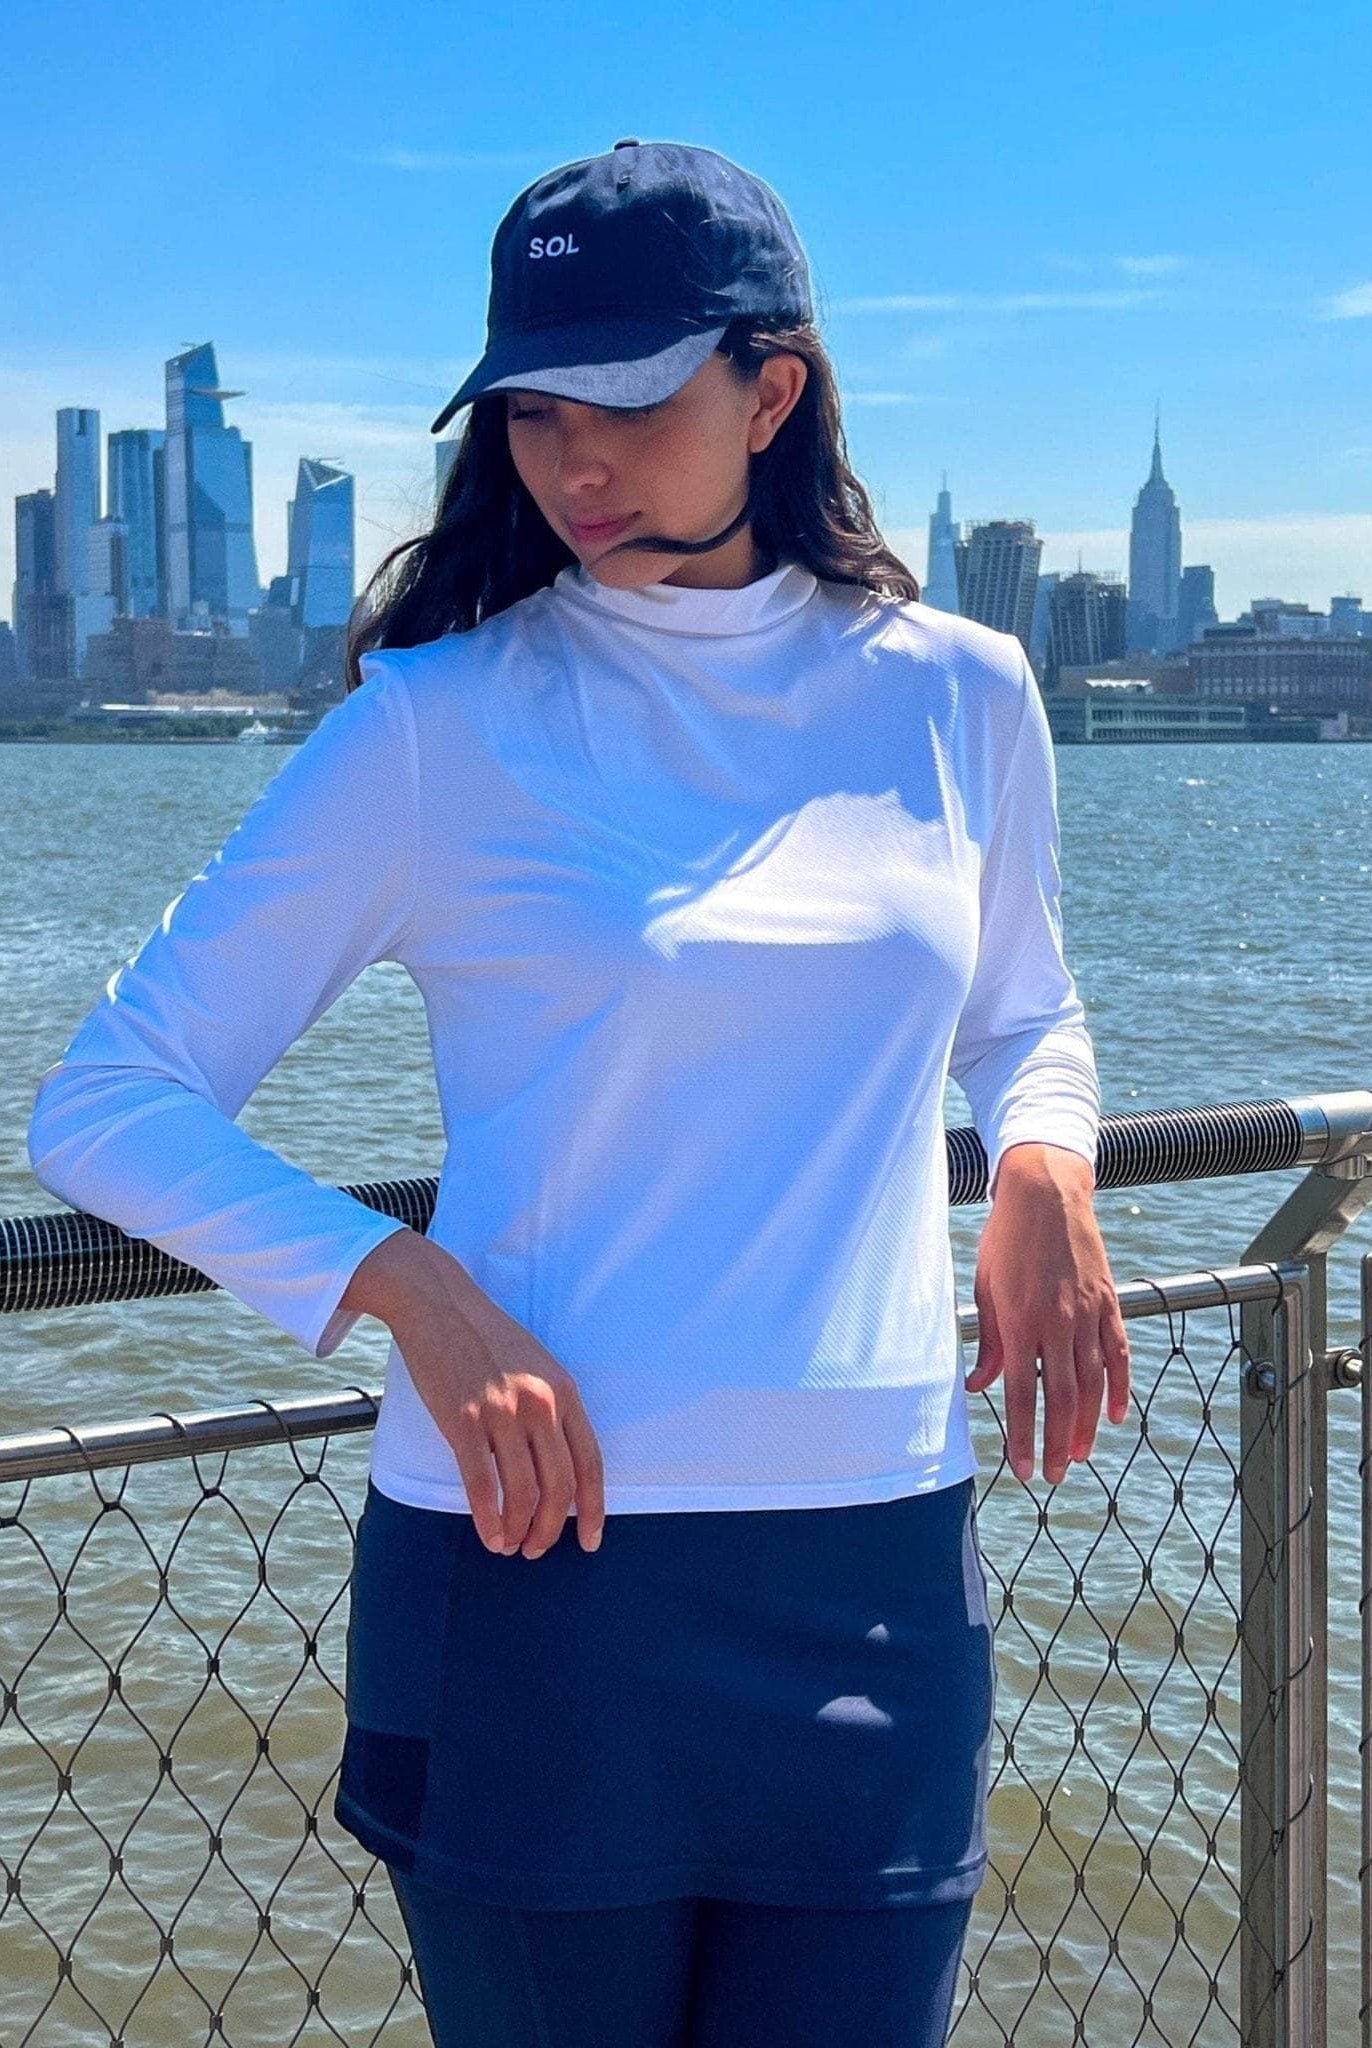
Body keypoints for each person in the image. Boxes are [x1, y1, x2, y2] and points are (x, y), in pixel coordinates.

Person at [26, 139, 1131, 2047]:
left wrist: (1047, 1164)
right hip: (539, 1573)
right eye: (534, 410)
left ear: (772, 389)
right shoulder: (437, 727)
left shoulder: (963, 692)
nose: (574, 461)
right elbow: (108, 1099)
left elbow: (1027, 1002)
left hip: (877, 1568)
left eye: (627, 400)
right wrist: (404, 1284)